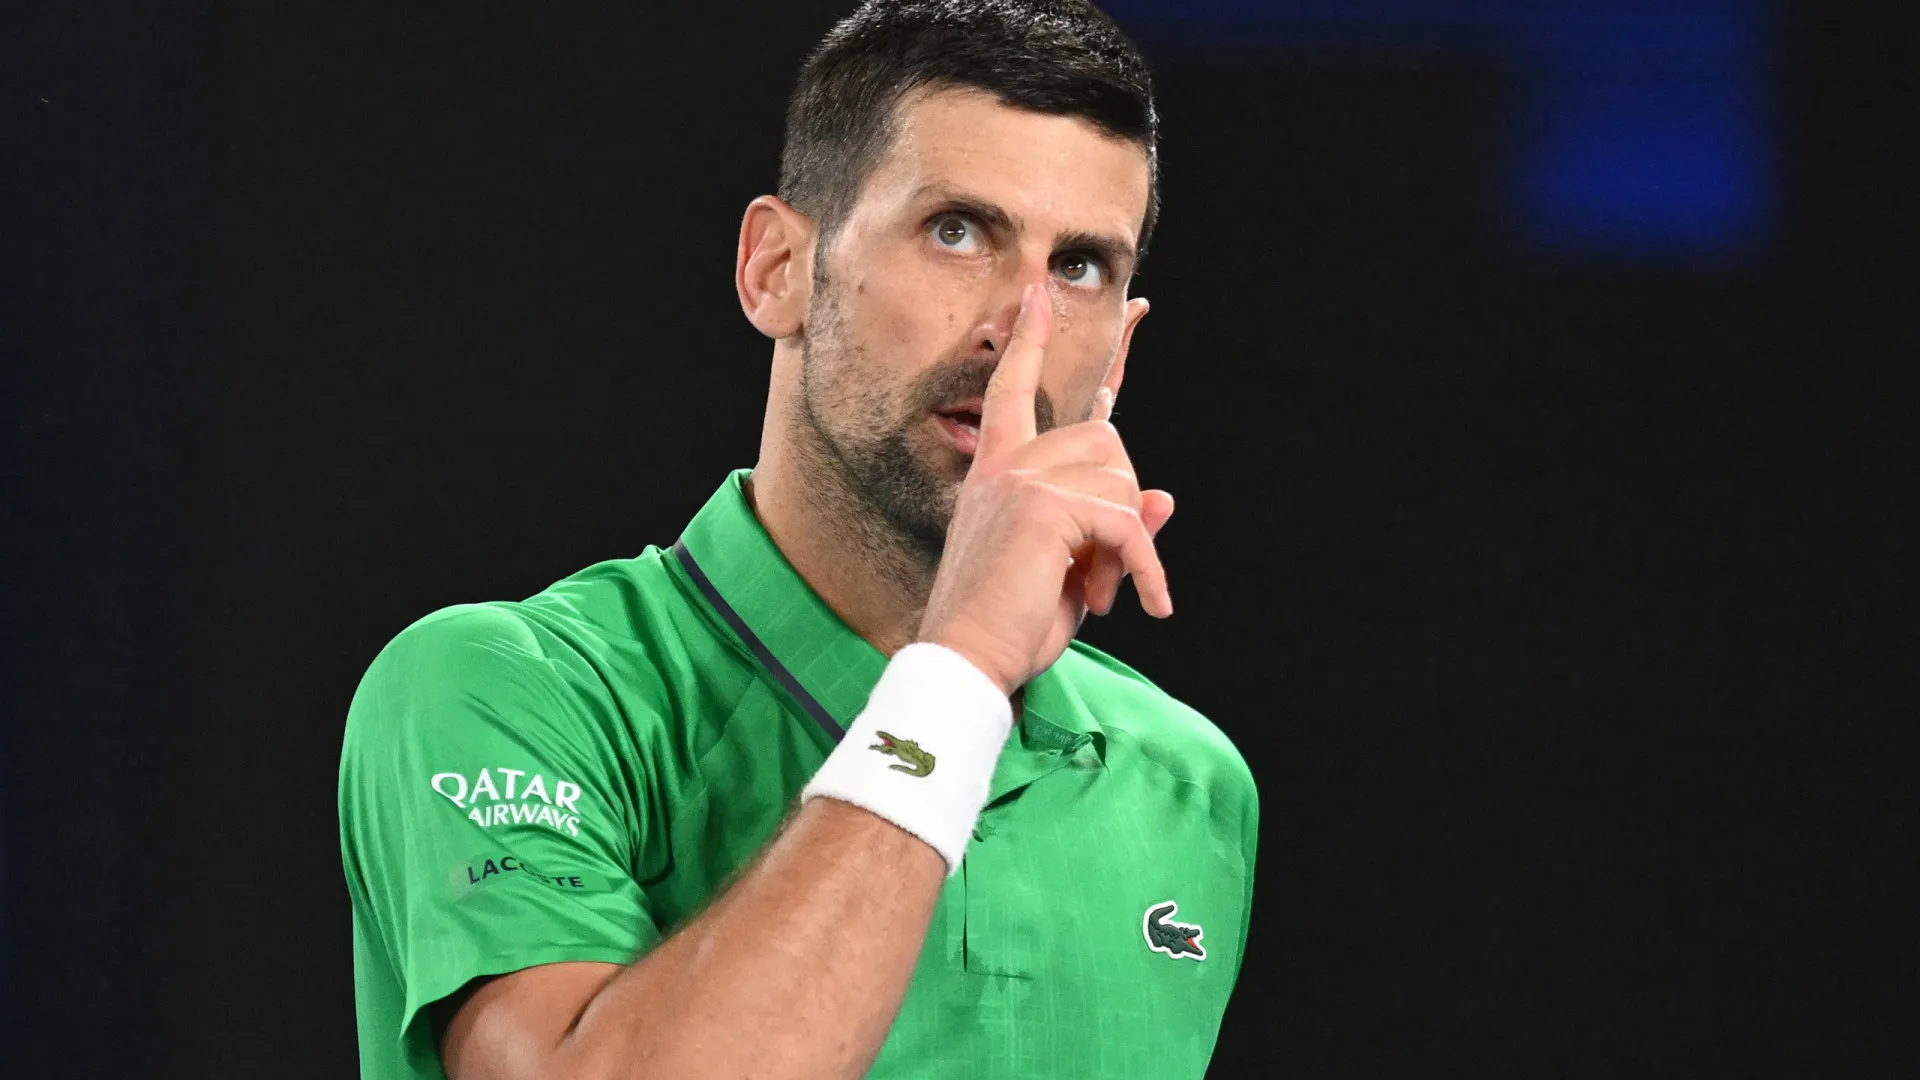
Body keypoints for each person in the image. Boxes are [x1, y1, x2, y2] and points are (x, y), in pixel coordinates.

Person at [337, 2, 1258, 1077]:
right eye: (957, 232)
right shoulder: (500, 689)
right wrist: (959, 675)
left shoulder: (1186, 784)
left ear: (1120, 354)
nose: (1021, 328)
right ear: (776, 268)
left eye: (1081, 268)